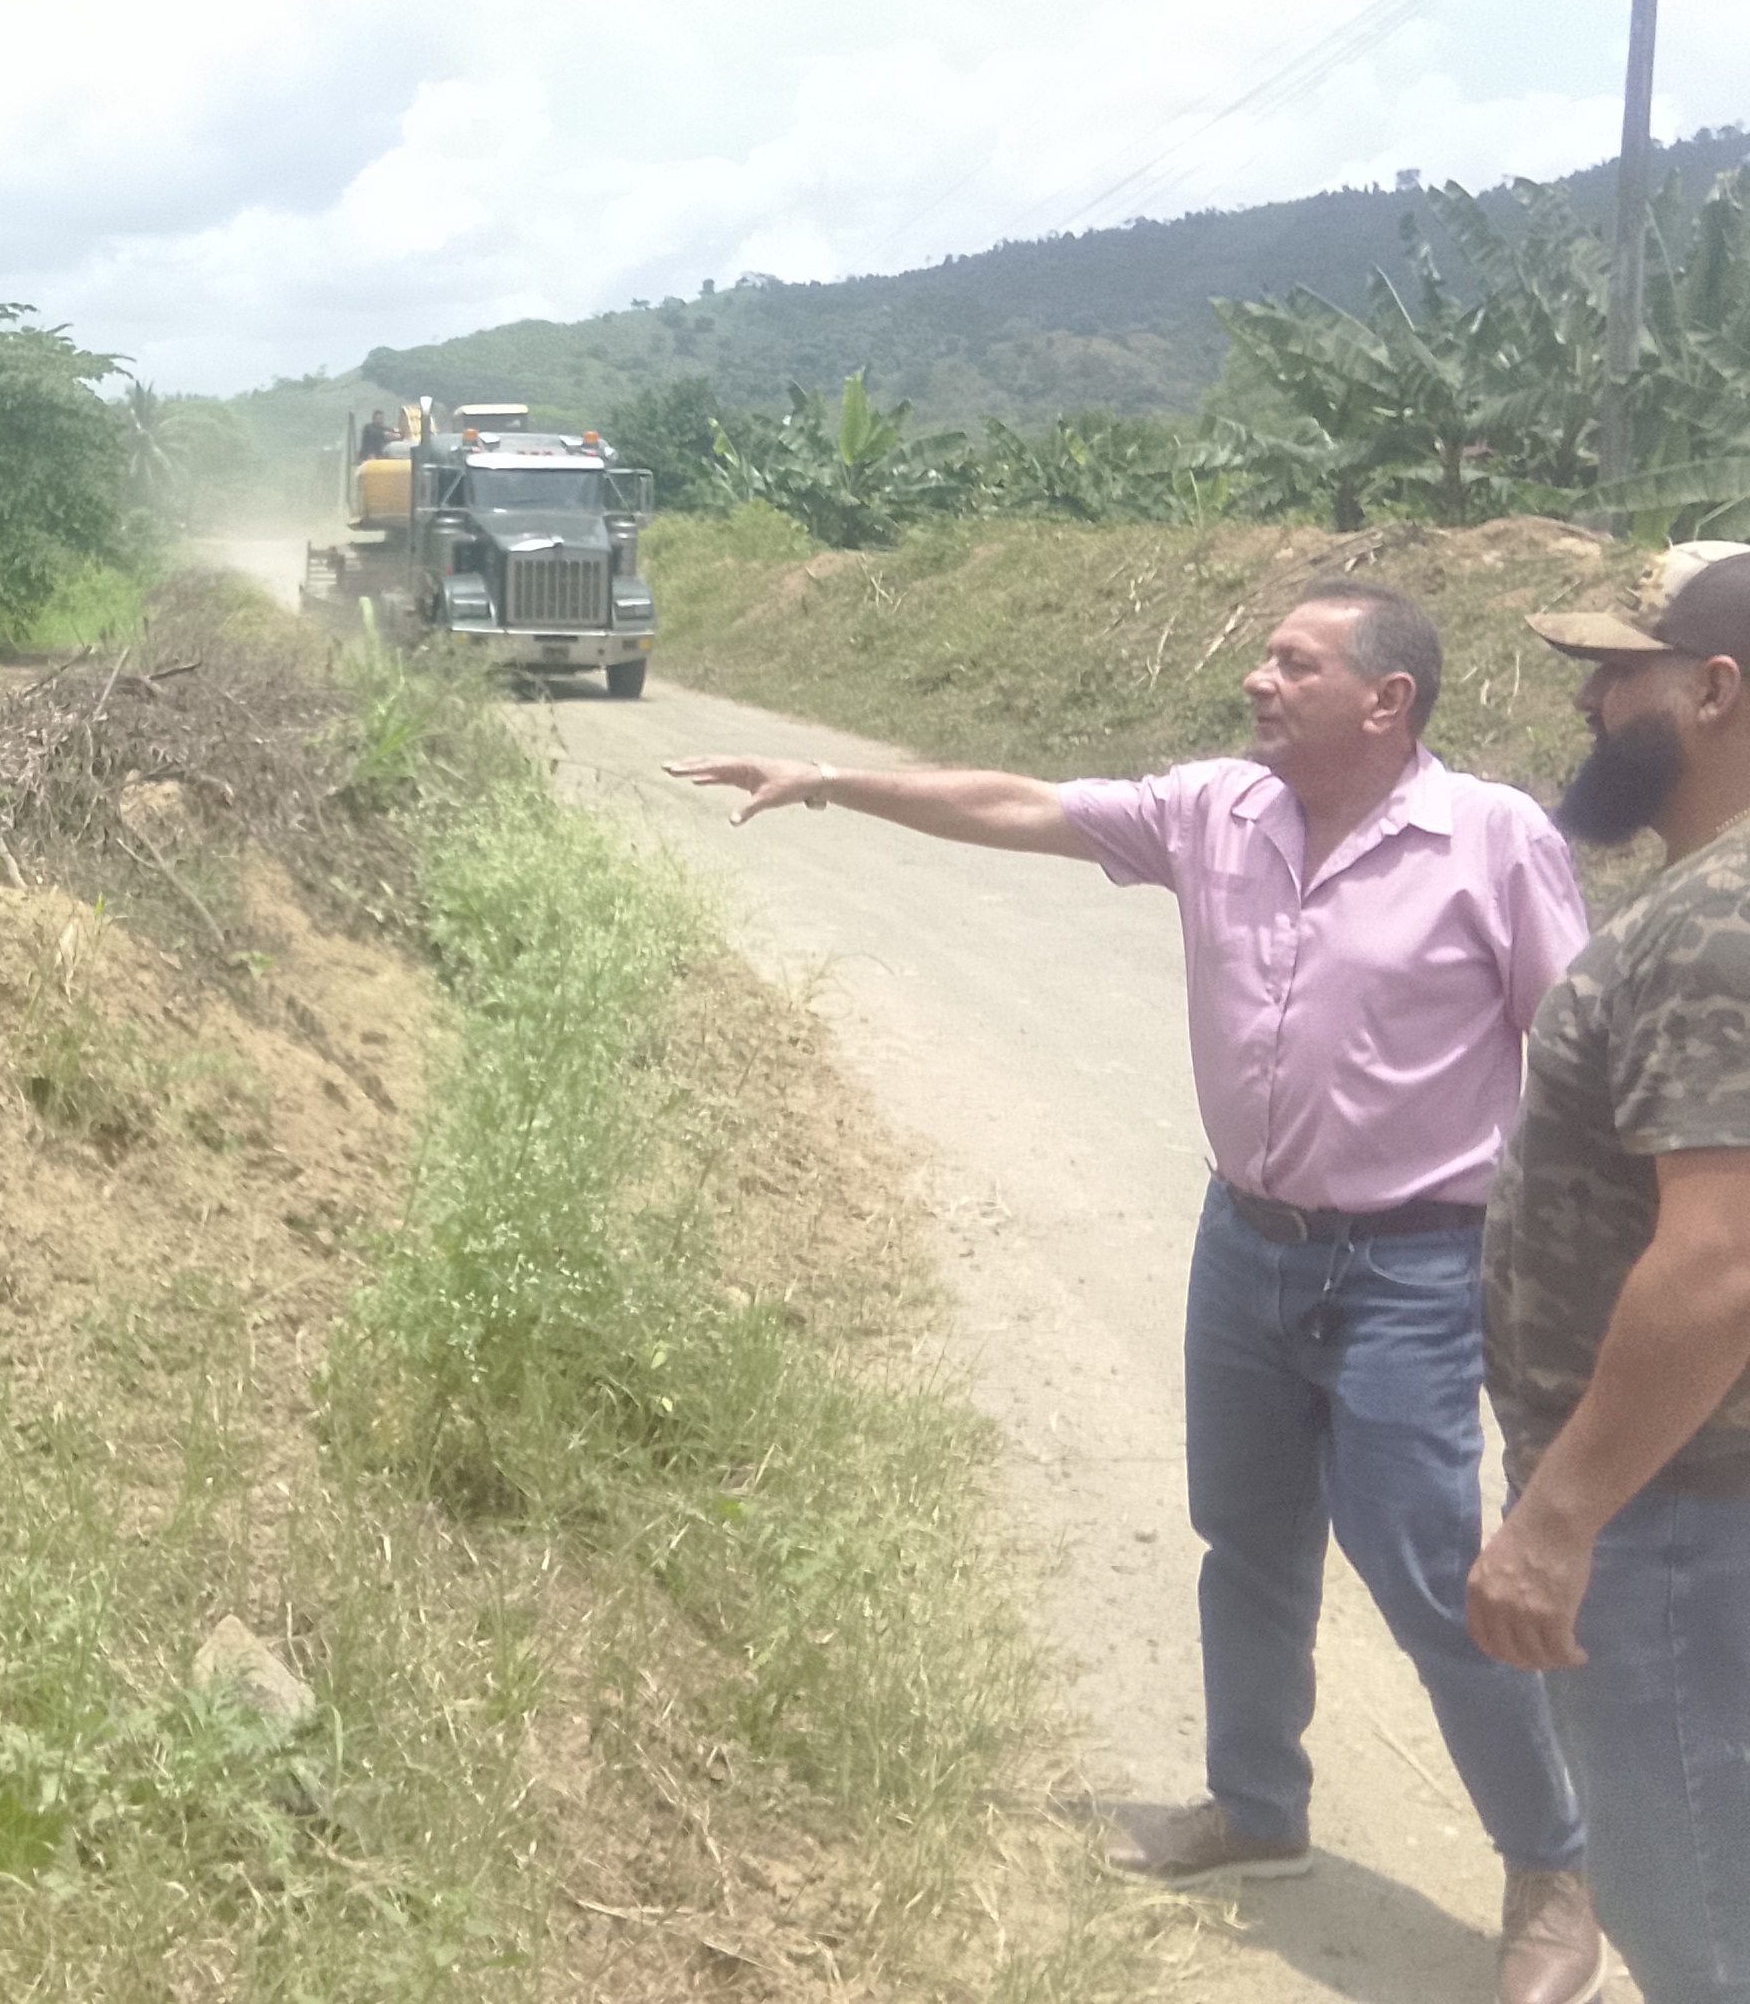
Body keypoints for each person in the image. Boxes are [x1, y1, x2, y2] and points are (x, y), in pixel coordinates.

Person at [669, 578, 1604, 2004]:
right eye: (1264, 658)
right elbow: (1023, 804)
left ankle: (1550, 1870)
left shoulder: (1491, 839)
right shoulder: (1214, 811)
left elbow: (1578, 1063)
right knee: (1247, 1536)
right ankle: (1257, 1809)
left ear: (1387, 700)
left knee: (1426, 1571)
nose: (1258, 680)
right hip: (1245, 1247)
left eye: (1293, 663)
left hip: (1415, 1267)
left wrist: (1572, 1269)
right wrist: (832, 781)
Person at [1470, 541, 1750, 2004]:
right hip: (1699, 1495)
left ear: (1715, 690)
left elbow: (1720, 1260)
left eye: (1617, 675)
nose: (1588, 705)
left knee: (1693, 1909)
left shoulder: (1715, 923)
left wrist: (1558, 1518)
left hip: (1676, 1511)